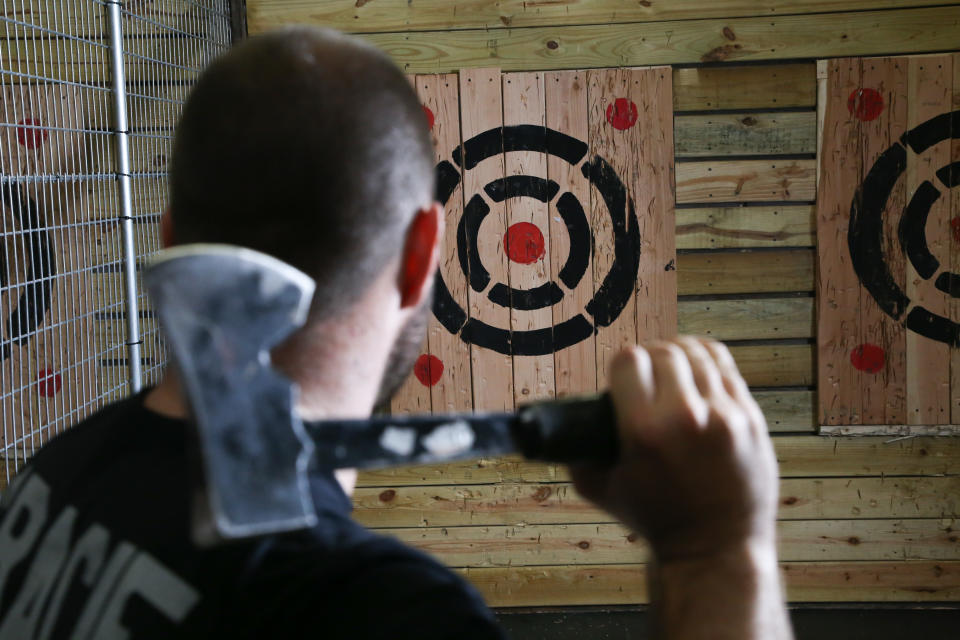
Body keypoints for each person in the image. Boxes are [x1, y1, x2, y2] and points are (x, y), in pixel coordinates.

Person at [0, 27, 793, 639]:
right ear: (424, 254)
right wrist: (714, 554)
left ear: (174, 240)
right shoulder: (372, 611)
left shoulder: (53, 476)